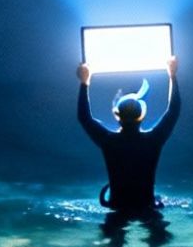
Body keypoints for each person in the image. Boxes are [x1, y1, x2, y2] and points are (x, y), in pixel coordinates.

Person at [76, 55, 180, 214]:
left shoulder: (109, 141)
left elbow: (84, 117)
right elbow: (173, 111)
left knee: (113, 238)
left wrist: (84, 82)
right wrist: (172, 75)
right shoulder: (153, 140)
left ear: (116, 116)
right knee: (159, 237)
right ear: (142, 116)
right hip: (146, 205)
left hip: (117, 206)